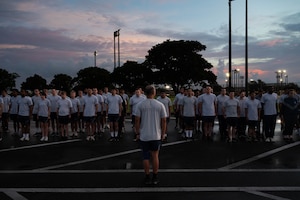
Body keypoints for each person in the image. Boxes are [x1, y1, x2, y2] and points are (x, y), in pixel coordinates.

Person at [135, 85, 167, 185]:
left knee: (145, 156)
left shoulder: (140, 105)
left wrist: (137, 132)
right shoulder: (159, 104)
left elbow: (137, 120)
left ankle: (147, 176)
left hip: (144, 135)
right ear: (153, 92)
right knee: (155, 156)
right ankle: (155, 176)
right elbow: (164, 120)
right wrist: (163, 133)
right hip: (155, 135)